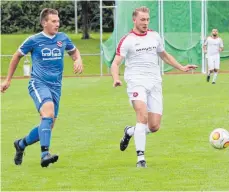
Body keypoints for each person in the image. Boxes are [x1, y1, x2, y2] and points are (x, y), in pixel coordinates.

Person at [111, 6, 197, 168]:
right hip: (136, 82)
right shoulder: (127, 40)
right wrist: (116, 78)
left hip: (155, 82)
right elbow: (115, 63)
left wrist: (181, 67)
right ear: (134, 20)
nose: (145, 22)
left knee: (154, 126)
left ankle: (130, 131)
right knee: (142, 116)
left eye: (147, 19)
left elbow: (164, 55)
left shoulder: (154, 36)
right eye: (142, 19)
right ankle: (140, 159)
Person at [1, 8, 83, 167]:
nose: (57, 24)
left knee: (48, 125)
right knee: (48, 113)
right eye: (53, 21)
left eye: (58, 21)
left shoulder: (63, 38)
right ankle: (45, 155)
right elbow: (16, 56)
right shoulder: (34, 40)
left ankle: (21, 144)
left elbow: (74, 52)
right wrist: (7, 80)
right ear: (44, 23)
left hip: (56, 87)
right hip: (38, 83)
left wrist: (77, 59)